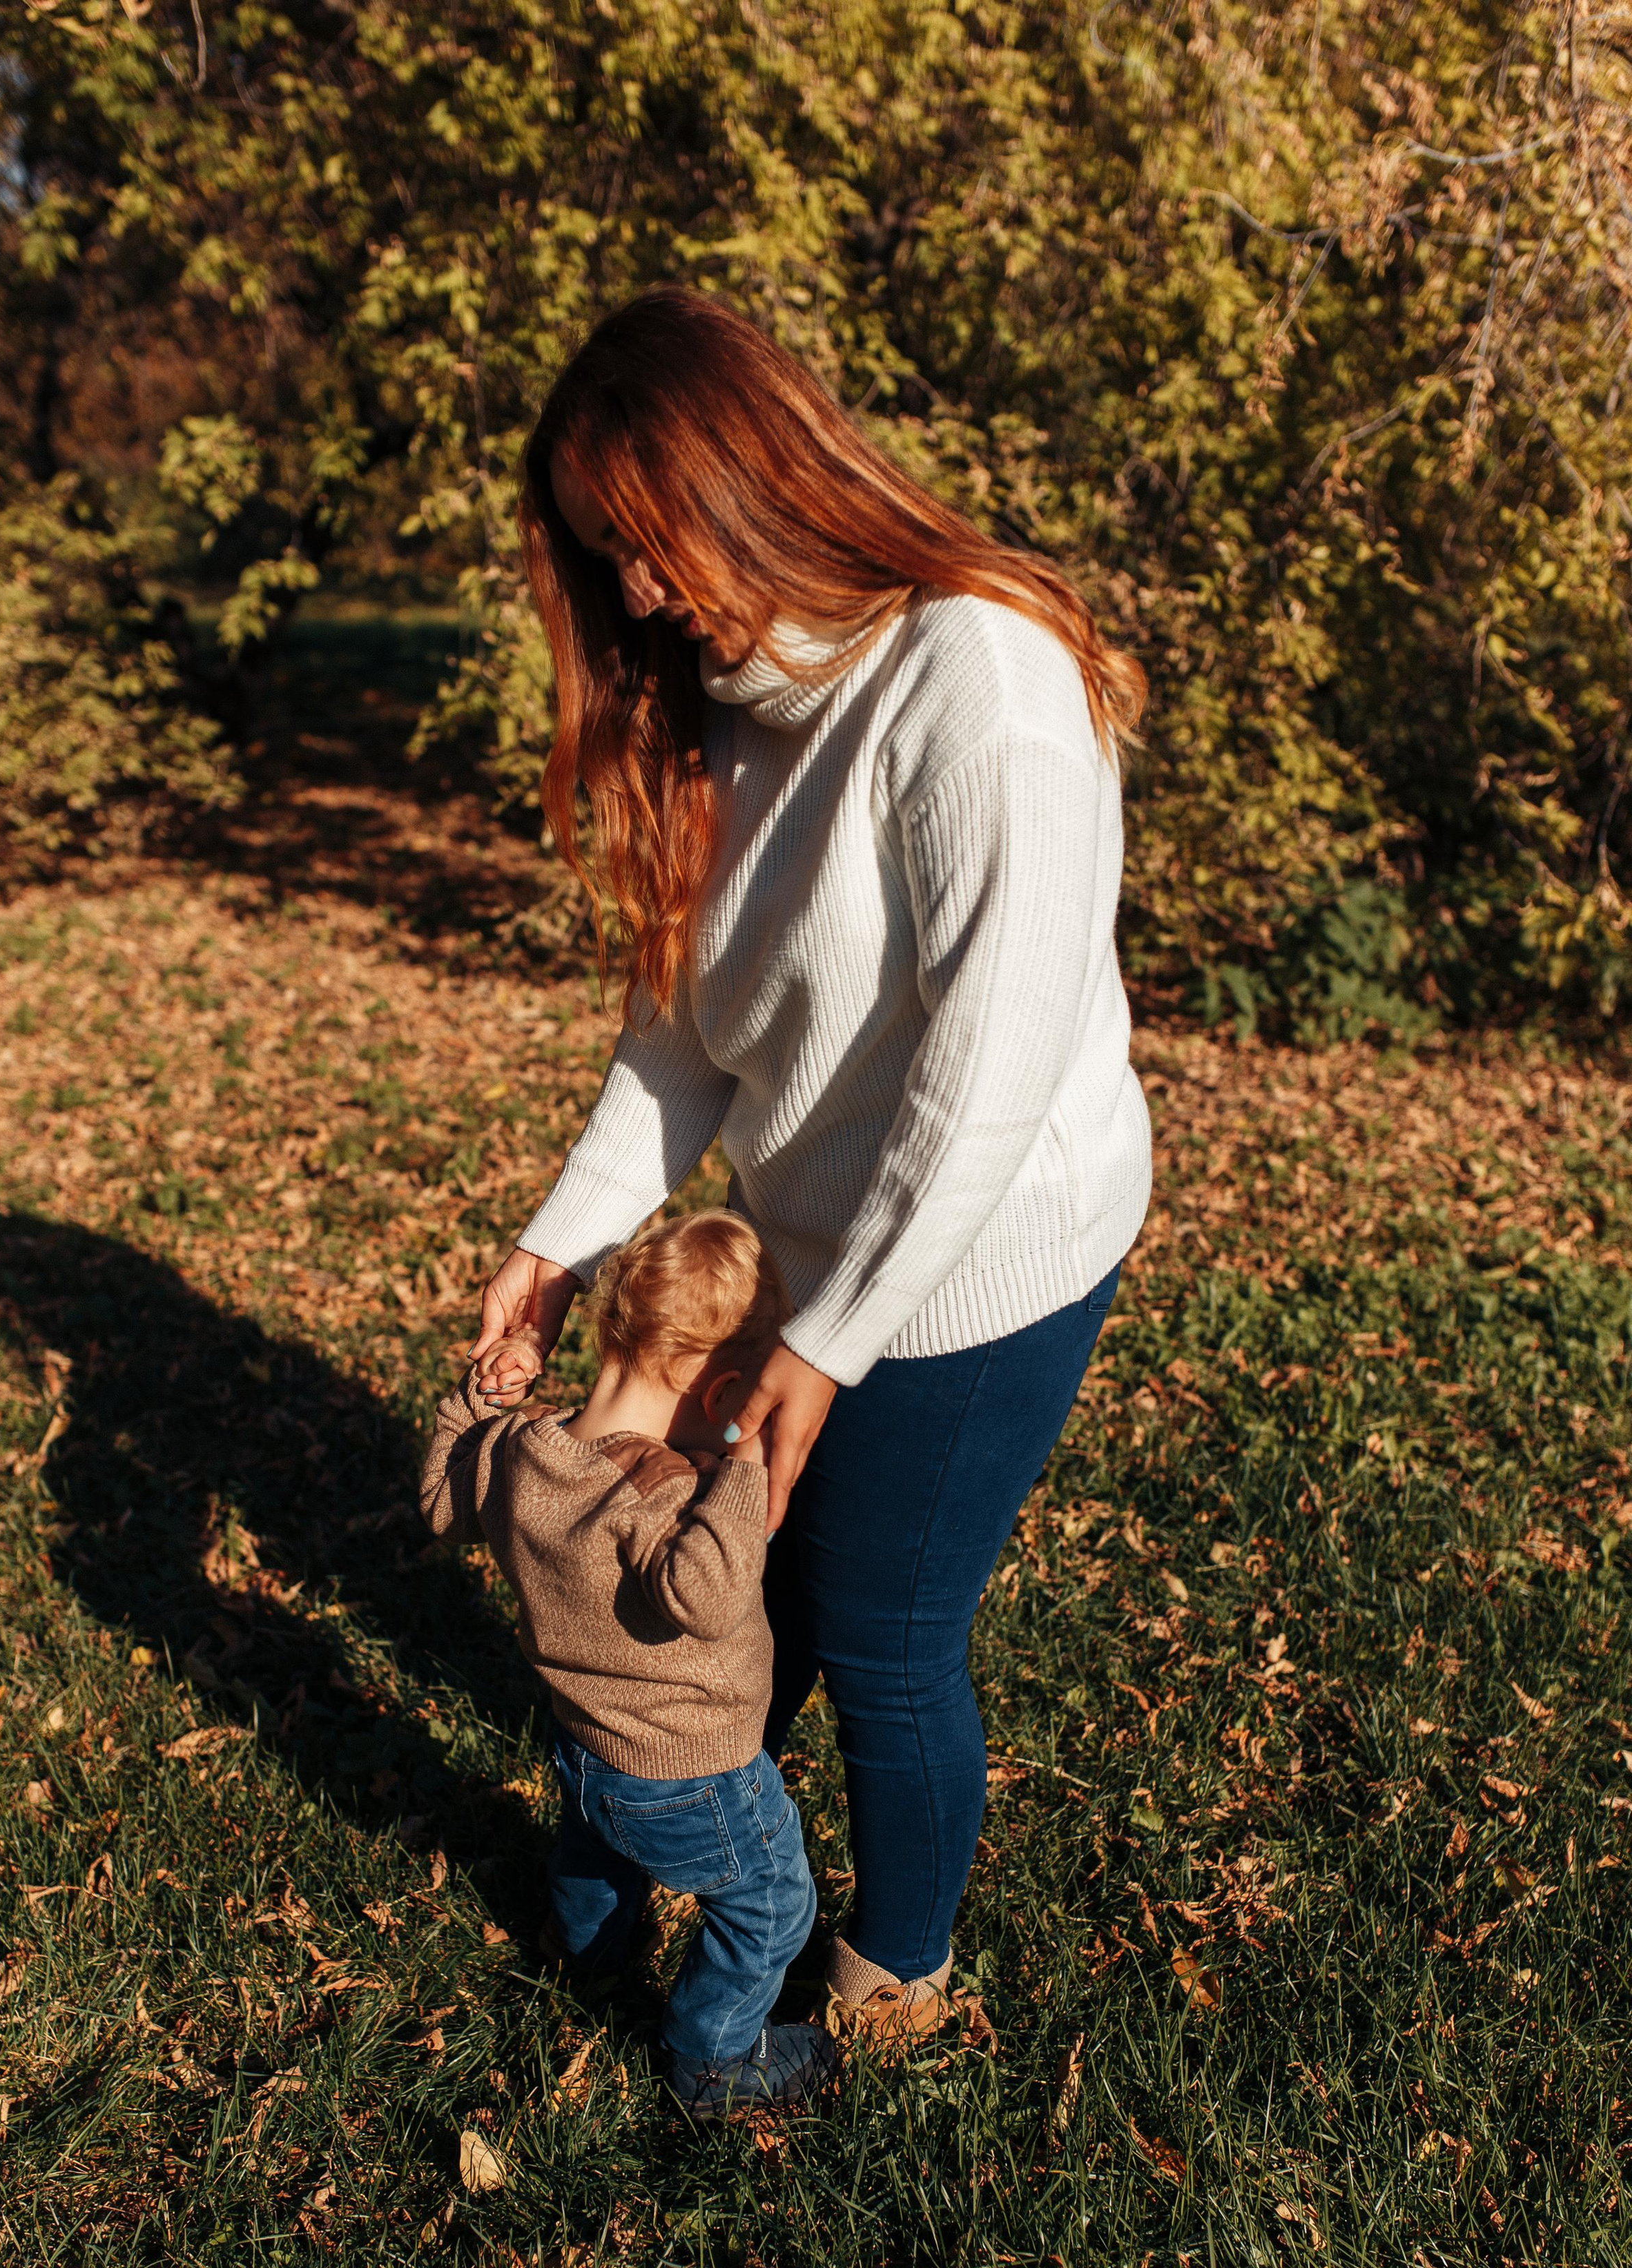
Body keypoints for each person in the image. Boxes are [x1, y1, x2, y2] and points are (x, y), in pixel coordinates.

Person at [467, 286, 1152, 2044]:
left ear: (756, 481)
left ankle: (890, 1973)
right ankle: (684, 1854)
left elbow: (981, 1074)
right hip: (816, 1240)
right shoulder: (716, 708)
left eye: (647, 542)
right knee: (750, 1592)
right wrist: (552, 1249)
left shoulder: (973, 677)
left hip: (990, 1247)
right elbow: (684, 1043)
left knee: (882, 1625)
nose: (629, 593)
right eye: (598, 556)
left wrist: (827, 1343)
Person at [421, 1210, 837, 2121]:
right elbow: (706, 1595)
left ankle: (590, 1952)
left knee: (599, 1846)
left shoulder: (520, 1451)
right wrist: (748, 1464)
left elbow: (442, 1501)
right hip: (695, 1772)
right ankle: (714, 2065)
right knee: (773, 1902)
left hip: (583, 1744)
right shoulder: (664, 1495)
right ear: (726, 1391)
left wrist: (479, 1402)